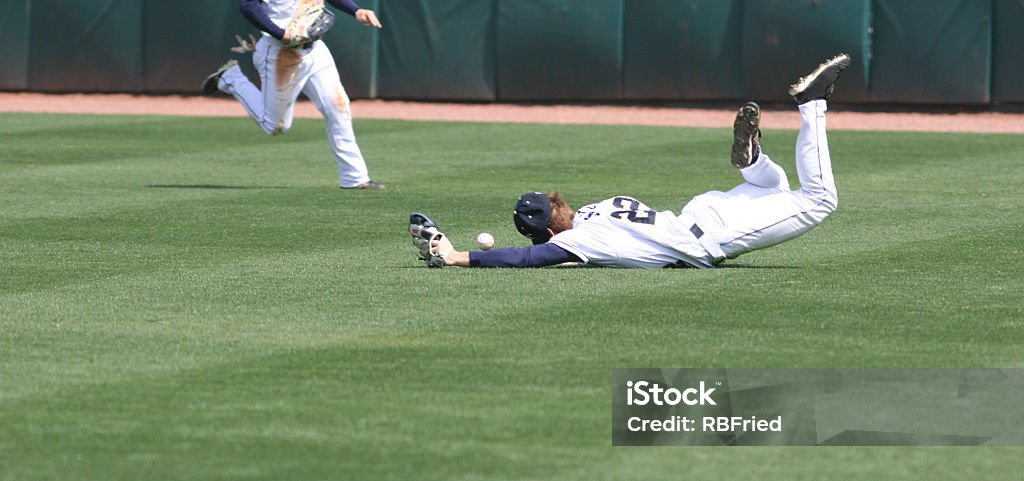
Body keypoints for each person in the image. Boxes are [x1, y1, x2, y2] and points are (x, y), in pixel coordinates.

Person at [409, 53, 851, 268]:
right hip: (700, 210)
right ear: (560, 205)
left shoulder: (584, 239)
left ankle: (812, 105)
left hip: (712, 235)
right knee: (771, 186)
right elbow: (556, 253)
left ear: (548, 230)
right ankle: (752, 163)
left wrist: (456, 255)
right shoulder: (598, 208)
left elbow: (527, 258)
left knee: (819, 199)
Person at [201, 0, 385, 190]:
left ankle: (354, 178)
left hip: (315, 50)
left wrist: (355, 10)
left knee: (338, 108)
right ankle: (231, 79)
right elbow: (248, 5)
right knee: (275, 126)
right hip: (280, 53)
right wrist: (280, 33)